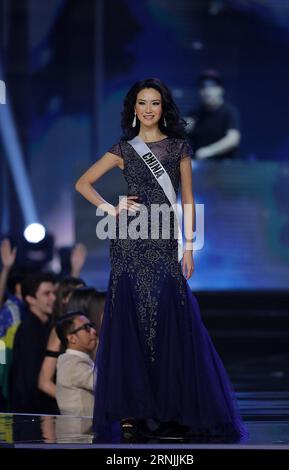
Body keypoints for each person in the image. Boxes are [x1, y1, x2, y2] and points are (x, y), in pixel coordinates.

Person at [75, 77, 246, 440]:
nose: (149, 109)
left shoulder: (178, 147)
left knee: (169, 317)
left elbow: (186, 199)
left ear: (162, 108)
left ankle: (171, 410)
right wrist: (111, 206)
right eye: (142, 103)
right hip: (129, 243)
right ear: (134, 109)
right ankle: (134, 412)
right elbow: (83, 183)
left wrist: (188, 246)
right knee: (131, 320)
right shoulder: (124, 148)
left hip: (164, 241)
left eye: (155, 103)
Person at [10, 272, 58, 414]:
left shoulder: (46, 325)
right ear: (30, 299)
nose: (53, 298)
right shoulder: (29, 330)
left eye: (53, 293)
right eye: (46, 294)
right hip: (32, 415)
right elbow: (30, 379)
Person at [187, 70, 241, 160]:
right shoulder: (194, 113)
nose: (207, 91)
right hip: (199, 167)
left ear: (221, 90)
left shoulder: (229, 112)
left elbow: (233, 139)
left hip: (223, 167)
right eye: (203, 87)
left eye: (212, 86)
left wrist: (209, 151)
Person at [55, 311, 97, 416]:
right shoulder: (72, 364)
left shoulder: (74, 361)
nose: (94, 331)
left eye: (91, 326)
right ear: (72, 338)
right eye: (87, 328)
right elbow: (103, 382)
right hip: (78, 431)